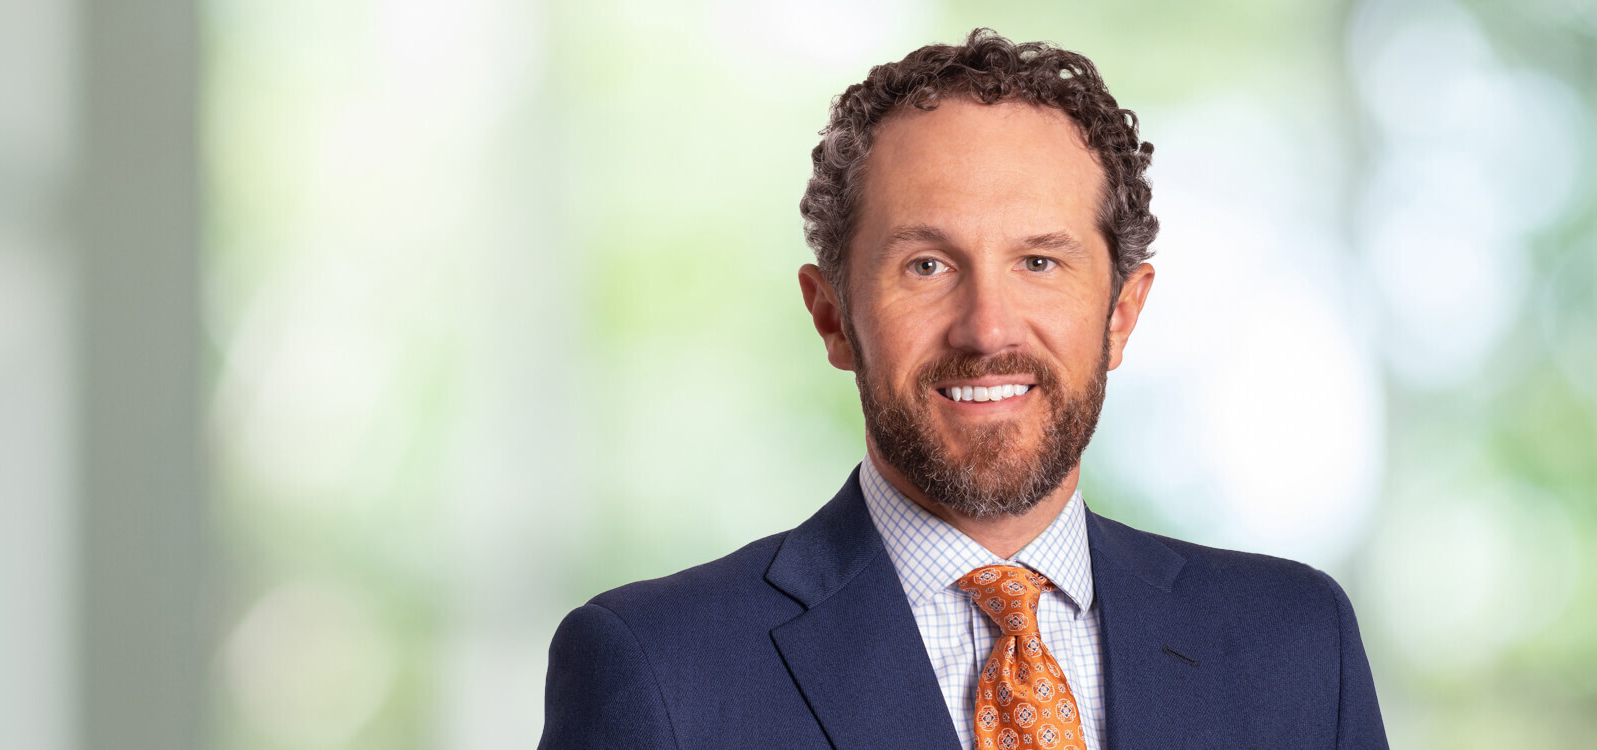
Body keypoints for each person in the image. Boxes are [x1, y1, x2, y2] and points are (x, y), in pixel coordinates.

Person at [537, 29, 1387, 750]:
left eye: (1039, 262)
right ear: (833, 316)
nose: (987, 329)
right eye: (927, 266)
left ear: (1122, 314)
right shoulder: (657, 668)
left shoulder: (1298, 644)